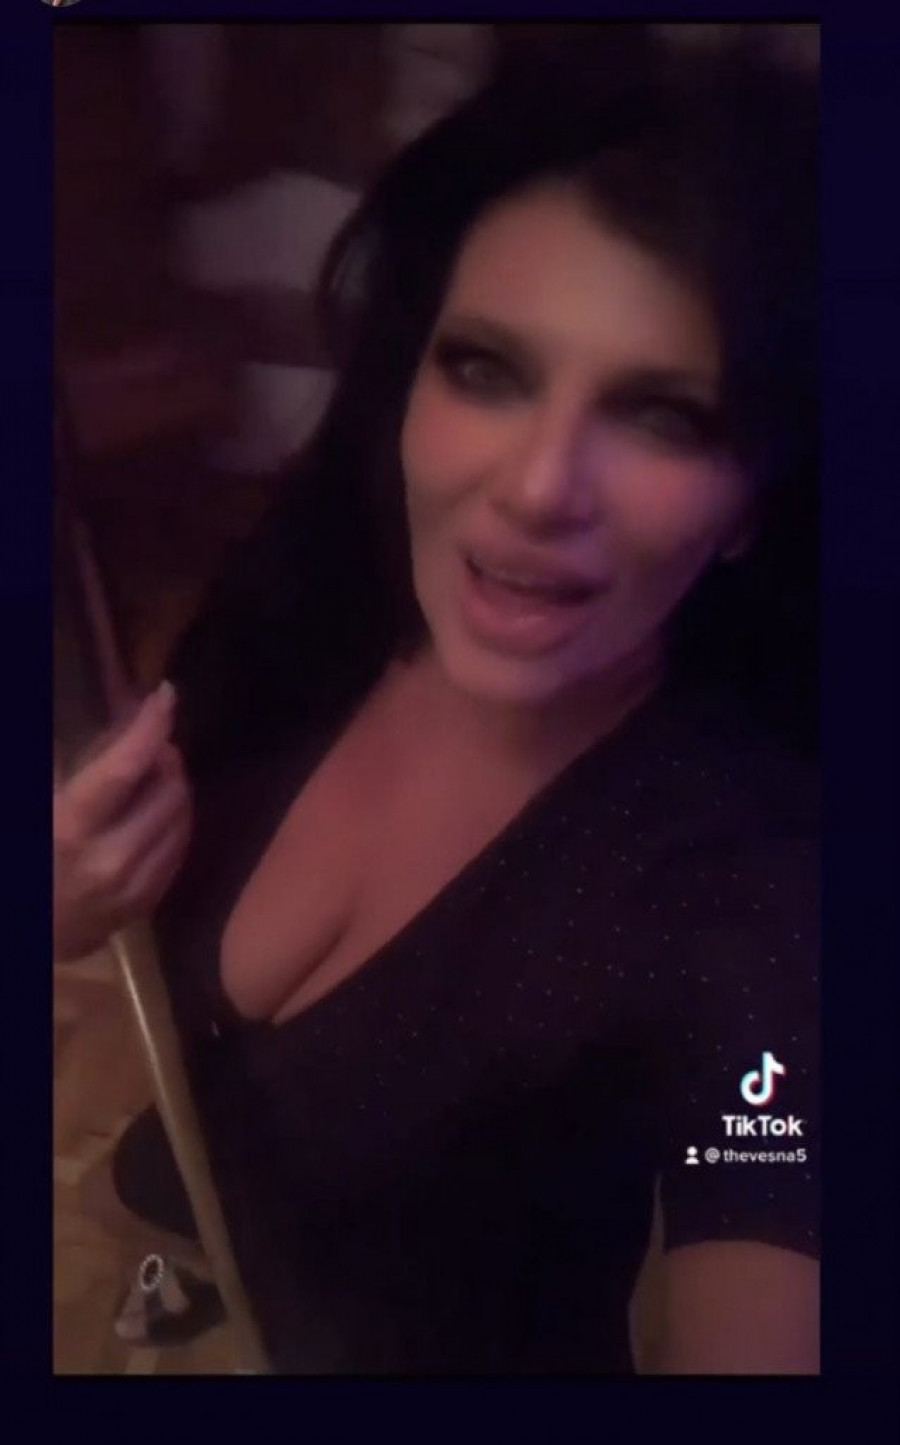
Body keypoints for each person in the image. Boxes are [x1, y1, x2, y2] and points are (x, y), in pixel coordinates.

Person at [53, 35, 820, 1374]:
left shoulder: (753, 893)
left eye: (664, 416)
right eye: (487, 369)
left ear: (754, 503)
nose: (537, 488)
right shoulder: (310, 609)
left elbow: (771, 1218)